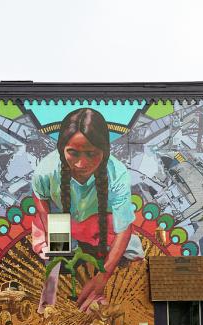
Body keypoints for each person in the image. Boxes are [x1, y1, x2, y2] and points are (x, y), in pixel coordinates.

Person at [31, 108, 143, 312]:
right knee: (56, 258)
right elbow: (40, 199)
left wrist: (102, 277)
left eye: (92, 154)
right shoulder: (46, 171)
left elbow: (123, 228)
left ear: (105, 151)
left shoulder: (117, 174)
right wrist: (56, 239)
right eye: (72, 153)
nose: (81, 164)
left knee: (128, 260)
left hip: (102, 225)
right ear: (61, 149)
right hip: (61, 220)